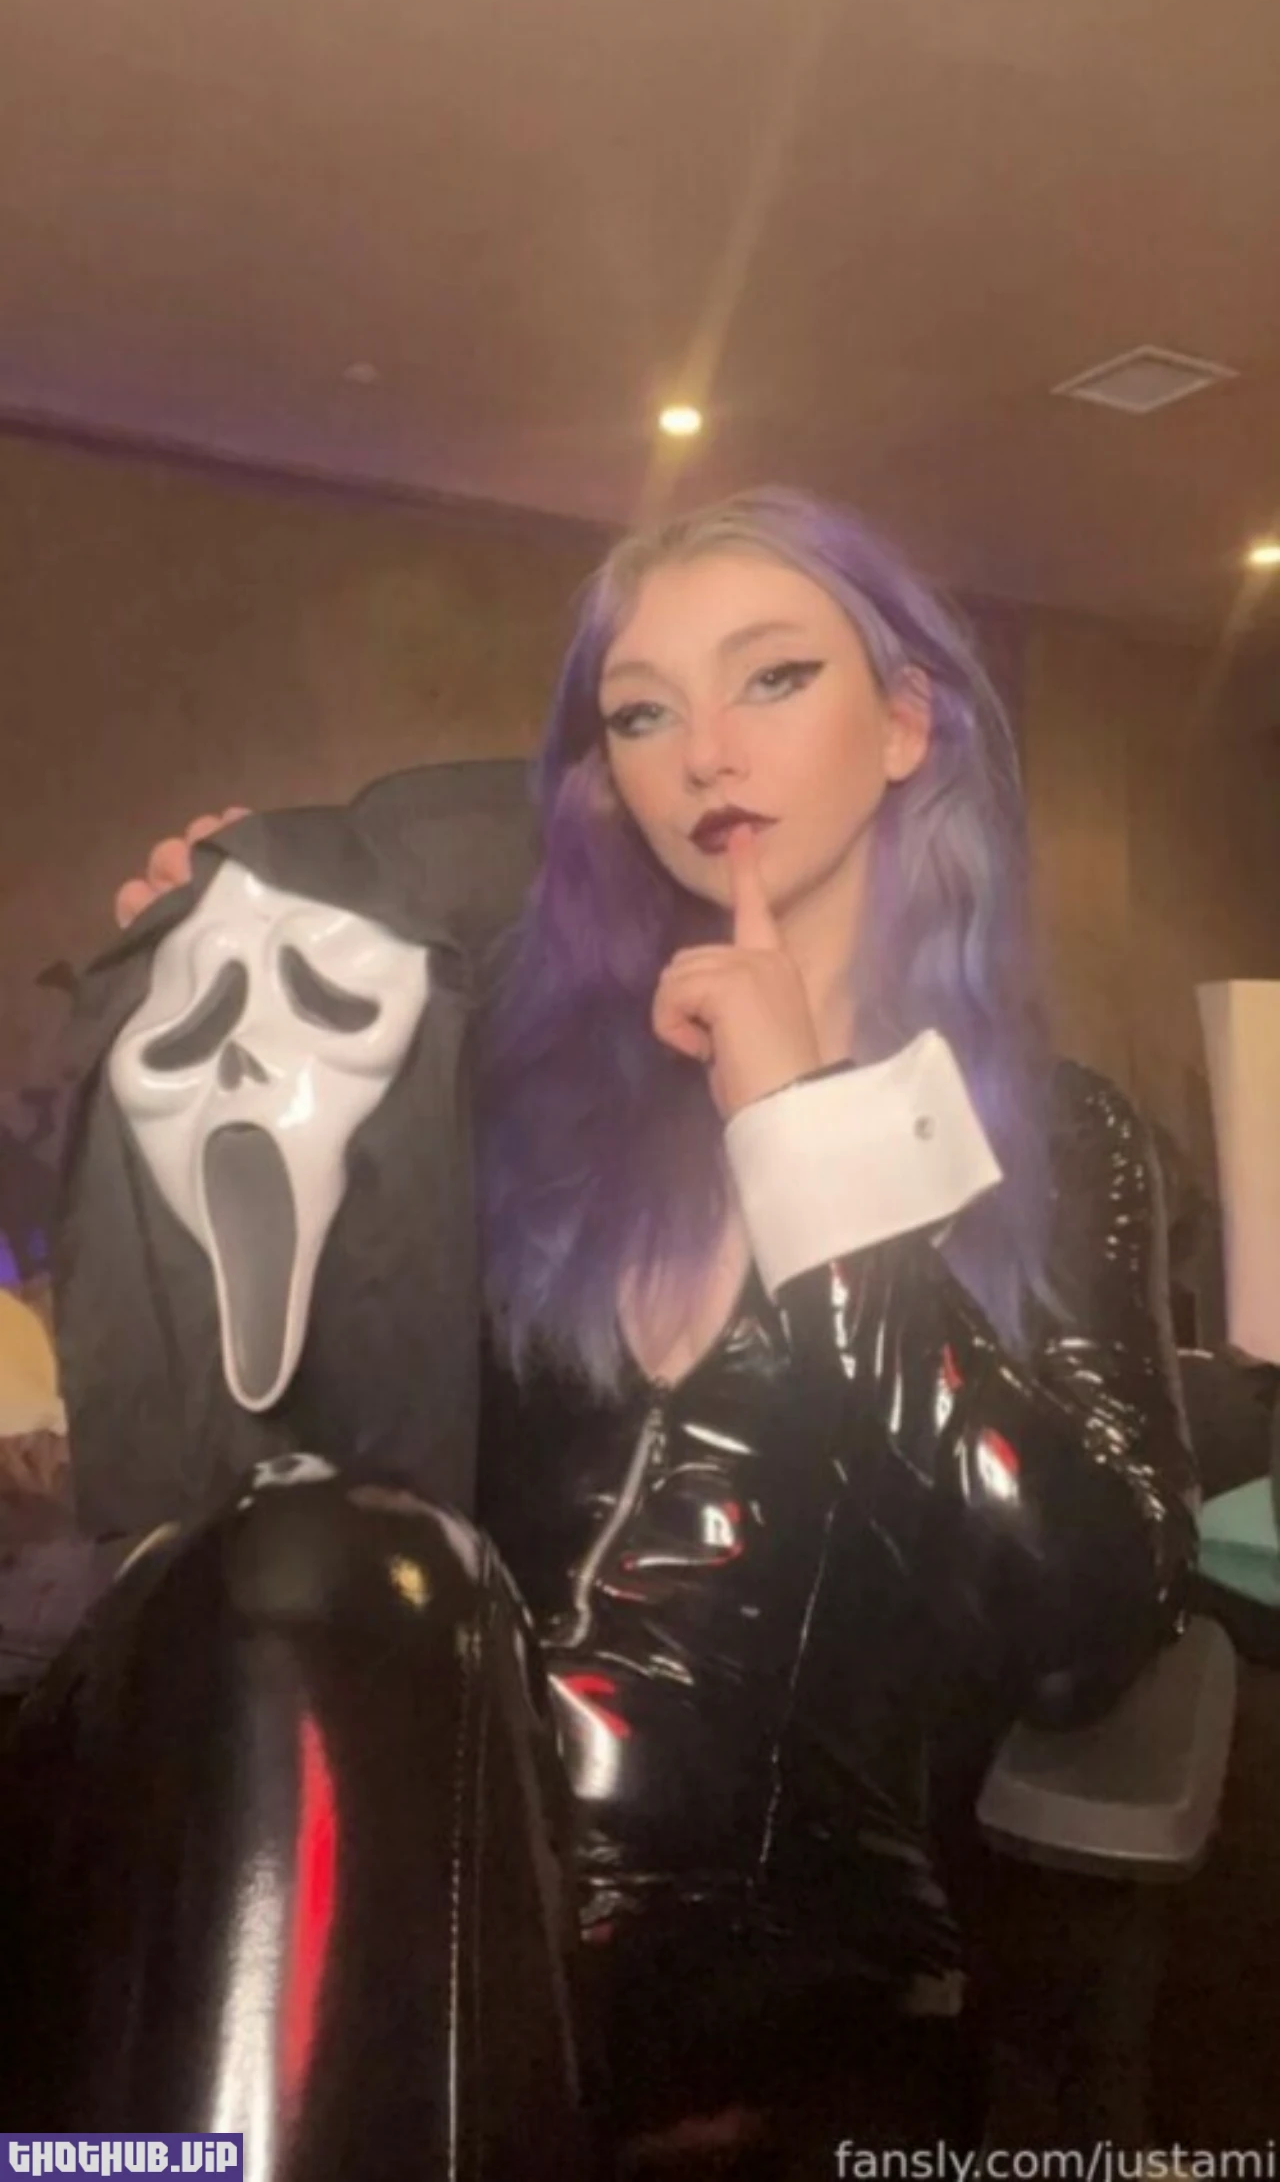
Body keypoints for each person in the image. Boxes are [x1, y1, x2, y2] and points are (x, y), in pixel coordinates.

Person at [110, 487, 1197, 2166]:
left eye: (773, 677)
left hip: (771, 1978)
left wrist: (805, 1131)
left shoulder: (1055, 1139)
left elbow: (1084, 1625)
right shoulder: (523, 1107)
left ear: (905, 723)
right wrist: (224, 1033)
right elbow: (312, 1488)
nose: (705, 753)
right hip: (408, 1885)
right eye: (641, 712)